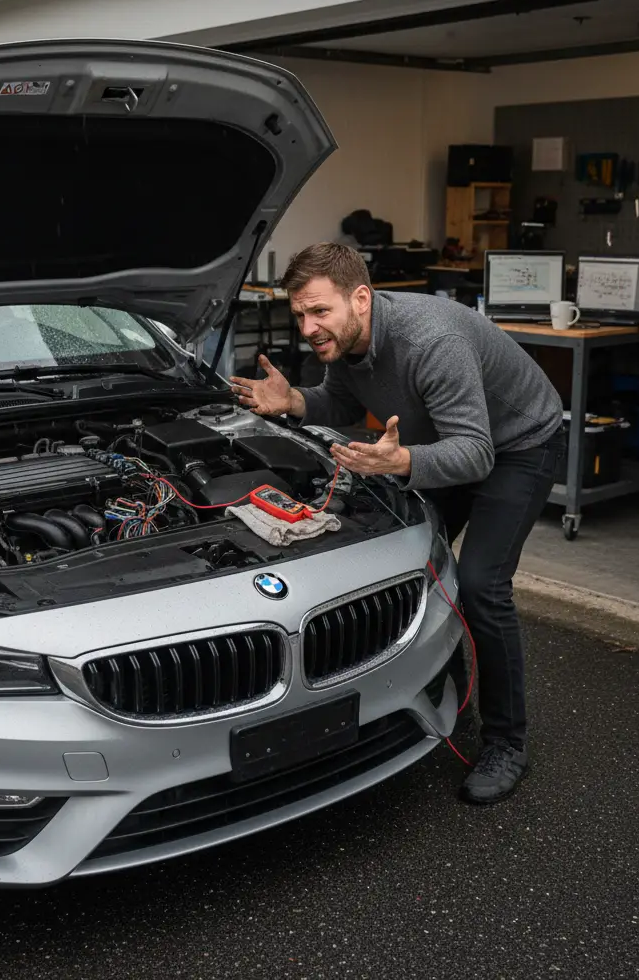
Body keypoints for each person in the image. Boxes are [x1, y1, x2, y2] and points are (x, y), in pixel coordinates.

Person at [229, 242, 563, 804]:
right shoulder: (348, 342)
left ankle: (507, 741)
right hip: (448, 440)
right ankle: (439, 683)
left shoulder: (431, 341)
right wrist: (294, 403)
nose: (309, 327)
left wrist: (405, 462)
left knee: (482, 583)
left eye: (319, 311)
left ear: (360, 298)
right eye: (301, 315)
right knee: (409, 551)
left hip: (519, 444)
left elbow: (477, 454)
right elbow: (337, 402)